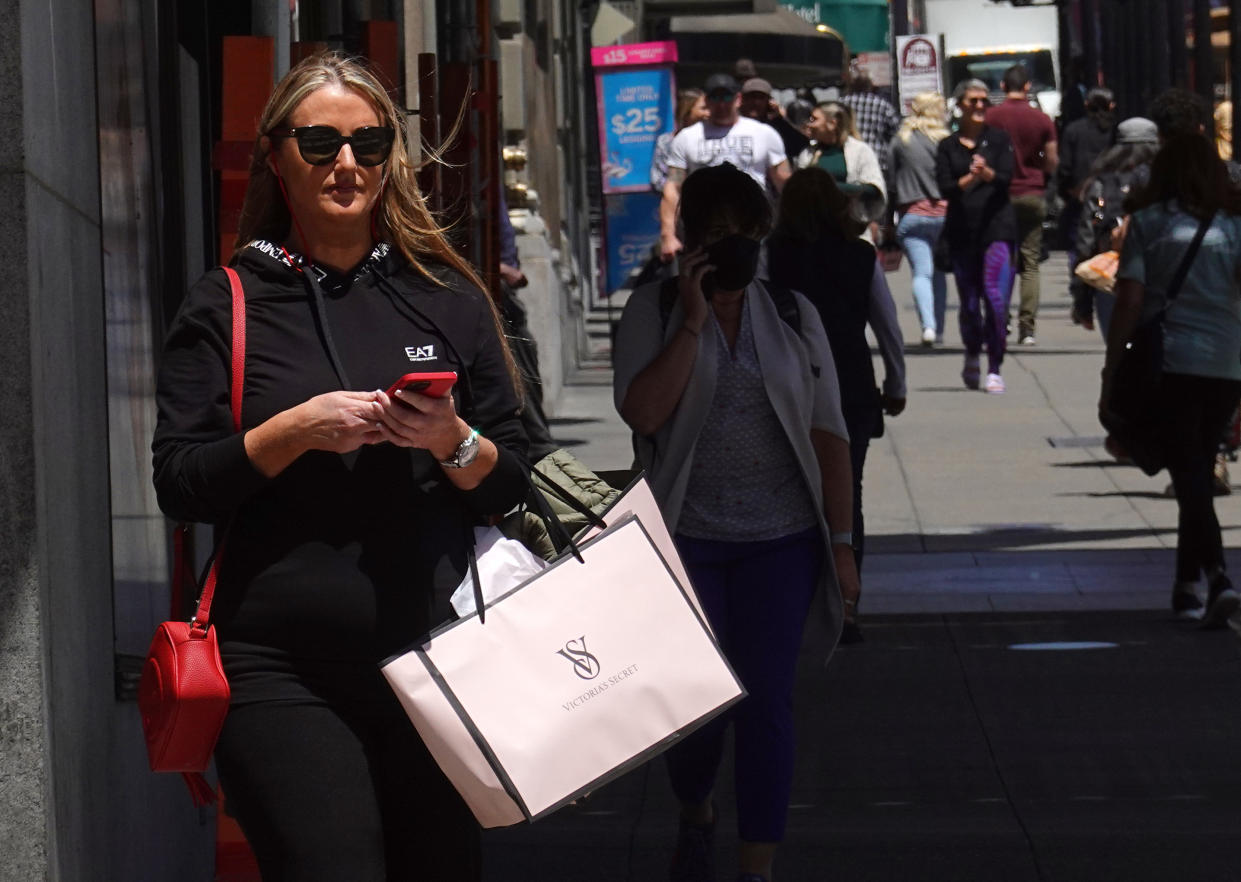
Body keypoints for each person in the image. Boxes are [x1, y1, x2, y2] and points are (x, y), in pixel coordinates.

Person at [151, 52, 530, 881]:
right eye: (320, 143)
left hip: (439, 664)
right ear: (277, 156)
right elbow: (179, 481)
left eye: (368, 143)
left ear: (392, 156)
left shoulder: (446, 299)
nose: (346, 164)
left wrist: (449, 440)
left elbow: (518, 481)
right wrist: (292, 431)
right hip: (278, 669)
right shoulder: (226, 302)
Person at [613, 163, 857, 882]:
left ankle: (757, 867)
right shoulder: (651, 312)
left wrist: (841, 547)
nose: (738, 249)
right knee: (695, 710)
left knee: (766, 703)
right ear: (690, 241)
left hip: (779, 541)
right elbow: (644, 413)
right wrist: (692, 321)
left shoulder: (789, 311)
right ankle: (695, 807)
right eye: (721, 235)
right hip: (686, 538)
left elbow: (829, 434)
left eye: (749, 234)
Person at [1102, 133, 1241, 627]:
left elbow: (1131, 300)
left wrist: (1112, 365)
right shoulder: (1234, 226)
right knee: (1195, 466)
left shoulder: (1149, 223)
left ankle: (1219, 576)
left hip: (1173, 362)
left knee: (1190, 472)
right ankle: (1186, 587)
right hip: (1227, 363)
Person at [766, 167, 907, 642]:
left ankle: (800, 598)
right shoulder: (860, 256)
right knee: (849, 493)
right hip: (850, 384)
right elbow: (886, 325)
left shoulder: (772, 256)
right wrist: (897, 381)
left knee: (793, 492)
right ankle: (846, 606)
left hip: (788, 388)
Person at [936, 79, 1018, 394]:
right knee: (970, 304)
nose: (980, 106)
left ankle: (995, 366)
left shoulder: (998, 140)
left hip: (997, 228)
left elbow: (1008, 178)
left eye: (984, 100)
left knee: (996, 300)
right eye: (973, 101)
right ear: (960, 106)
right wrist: (971, 177)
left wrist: (989, 174)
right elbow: (944, 187)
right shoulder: (948, 146)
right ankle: (972, 351)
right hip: (962, 233)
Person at [659, 73, 791, 262]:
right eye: (715, 97)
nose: (721, 104)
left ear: (737, 99)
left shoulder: (764, 134)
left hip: (752, 228)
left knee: (756, 284)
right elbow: (673, 188)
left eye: (727, 97)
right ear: (706, 100)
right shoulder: (687, 138)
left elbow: (784, 183)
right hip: (705, 230)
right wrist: (668, 235)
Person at [985, 64, 1058, 345]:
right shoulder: (1041, 120)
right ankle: (1027, 327)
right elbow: (1052, 160)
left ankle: (1000, 320)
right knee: (1030, 261)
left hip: (1000, 195)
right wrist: (1036, 166)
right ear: (1027, 86)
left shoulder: (991, 117)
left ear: (1003, 87)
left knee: (1001, 257)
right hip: (1032, 193)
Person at [1074, 117, 1159, 338]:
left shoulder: (1101, 182)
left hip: (1111, 275)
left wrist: (1082, 300)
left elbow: (1086, 240)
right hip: (1158, 277)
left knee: (1117, 346)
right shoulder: (1164, 179)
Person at [890, 91, 951, 346]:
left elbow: (891, 181)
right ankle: (937, 329)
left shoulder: (900, 141)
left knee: (921, 273)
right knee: (938, 274)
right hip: (945, 214)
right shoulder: (947, 141)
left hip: (913, 214)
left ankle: (928, 326)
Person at [1059, 88, 1117, 329]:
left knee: (1080, 246)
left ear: (1087, 105)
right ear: (1111, 106)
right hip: (1111, 197)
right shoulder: (1115, 131)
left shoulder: (1074, 130)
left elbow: (1065, 166)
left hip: (1081, 198)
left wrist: (1068, 191)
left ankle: (1081, 293)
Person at [797, 101, 887, 238]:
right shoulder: (807, 154)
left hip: (852, 230)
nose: (810, 124)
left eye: (814, 119)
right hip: (815, 232)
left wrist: (832, 187)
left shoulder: (860, 151)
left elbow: (874, 189)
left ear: (832, 124)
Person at [839, 73, 901, 180]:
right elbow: (897, 131)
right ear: (870, 86)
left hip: (847, 157)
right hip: (877, 158)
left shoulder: (842, 103)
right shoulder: (882, 105)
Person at [739, 76, 810, 161]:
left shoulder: (776, 127)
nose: (756, 102)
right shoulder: (733, 125)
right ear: (742, 100)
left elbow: (801, 147)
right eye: (752, 97)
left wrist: (779, 119)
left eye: (761, 97)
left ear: (769, 102)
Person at [652, 88, 708, 192]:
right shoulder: (667, 142)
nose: (708, 113)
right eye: (703, 108)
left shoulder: (715, 138)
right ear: (686, 111)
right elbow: (659, 180)